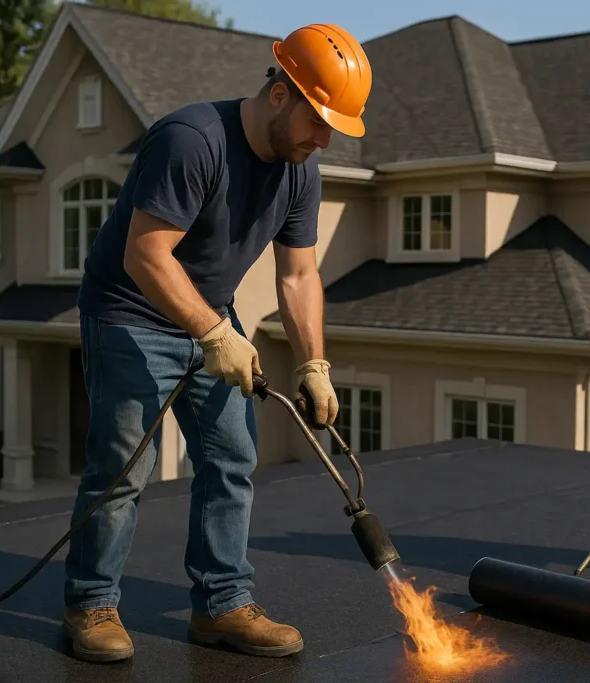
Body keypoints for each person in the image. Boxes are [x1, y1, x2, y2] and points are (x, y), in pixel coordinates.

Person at [62, 23, 371, 662]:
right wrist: (212, 333)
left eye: (335, 126)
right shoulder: (191, 140)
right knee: (124, 467)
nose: (326, 137)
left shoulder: (298, 170)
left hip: (211, 317)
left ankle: (222, 604)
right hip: (128, 314)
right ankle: (91, 603)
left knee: (231, 458)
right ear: (281, 92)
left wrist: (314, 361)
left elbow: (299, 273)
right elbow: (146, 255)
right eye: (320, 119)